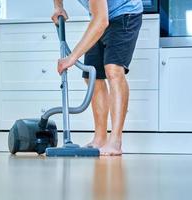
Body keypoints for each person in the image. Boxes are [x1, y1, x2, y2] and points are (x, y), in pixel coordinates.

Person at [51, 0, 143, 156]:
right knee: (92, 75)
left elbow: (101, 20)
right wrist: (58, 7)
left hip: (125, 14)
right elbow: (100, 18)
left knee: (113, 70)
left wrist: (72, 58)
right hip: (101, 16)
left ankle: (115, 141)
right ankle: (100, 138)